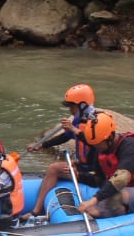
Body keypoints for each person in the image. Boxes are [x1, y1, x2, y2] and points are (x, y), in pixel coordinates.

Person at [74, 111, 134, 219]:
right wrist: (79, 176)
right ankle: (113, 211)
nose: (96, 147)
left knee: (114, 196)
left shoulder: (130, 145)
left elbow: (122, 178)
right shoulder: (100, 149)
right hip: (129, 190)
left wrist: (93, 200)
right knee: (108, 195)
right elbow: (100, 180)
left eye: (98, 144)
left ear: (109, 138)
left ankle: (100, 215)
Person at [25, 83, 98, 217]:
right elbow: (65, 137)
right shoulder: (78, 119)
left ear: (82, 105)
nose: (70, 110)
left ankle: (36, 211)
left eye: (72, 106)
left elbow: (93, 143)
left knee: (55, 168)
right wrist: (42, 145)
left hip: (95, 173)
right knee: (55, 168)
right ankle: (36, 210)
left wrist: (73, 129)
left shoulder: (96, 122)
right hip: (83, 167)